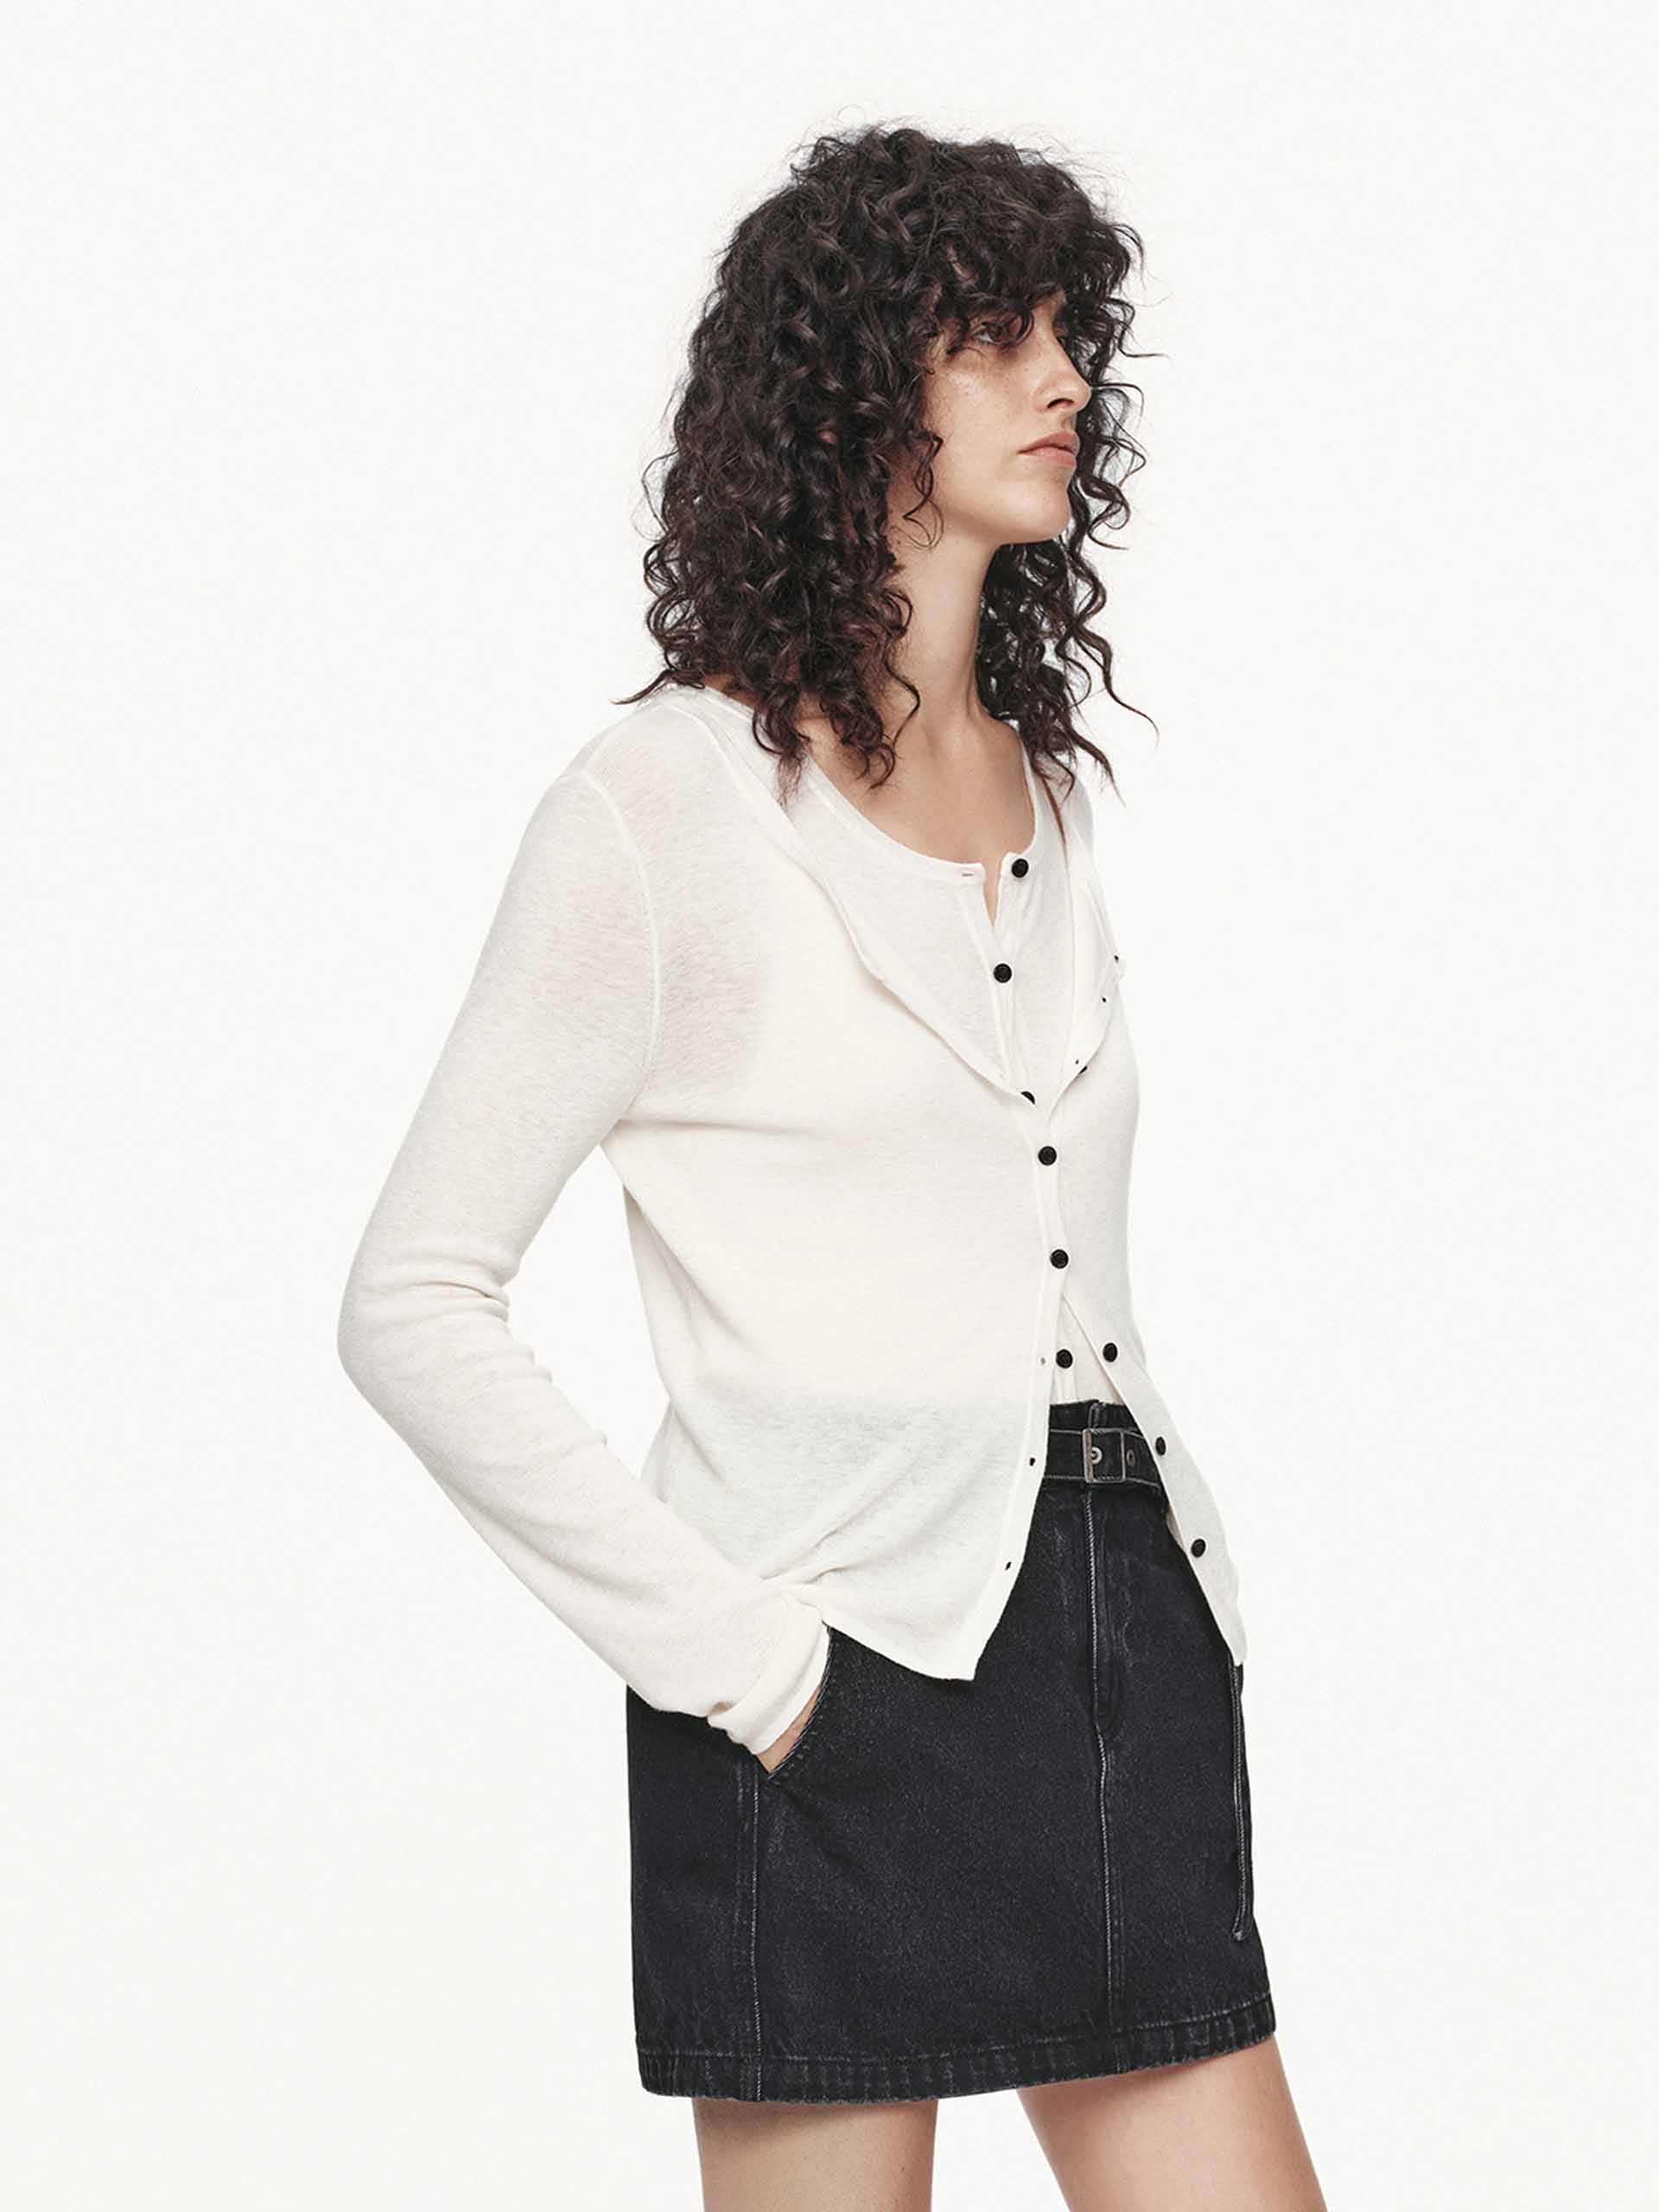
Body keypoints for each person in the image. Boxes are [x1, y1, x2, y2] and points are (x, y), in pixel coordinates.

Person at [337, 122, 1326, 2210]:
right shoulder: (659, 808)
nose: (1066, 379)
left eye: (1071, 332)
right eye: (999, 337)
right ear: (858, 385)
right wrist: (757, 1670)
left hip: (1114, 1628)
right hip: (834, 1667)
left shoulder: (1043, 788)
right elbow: (411, 1300)